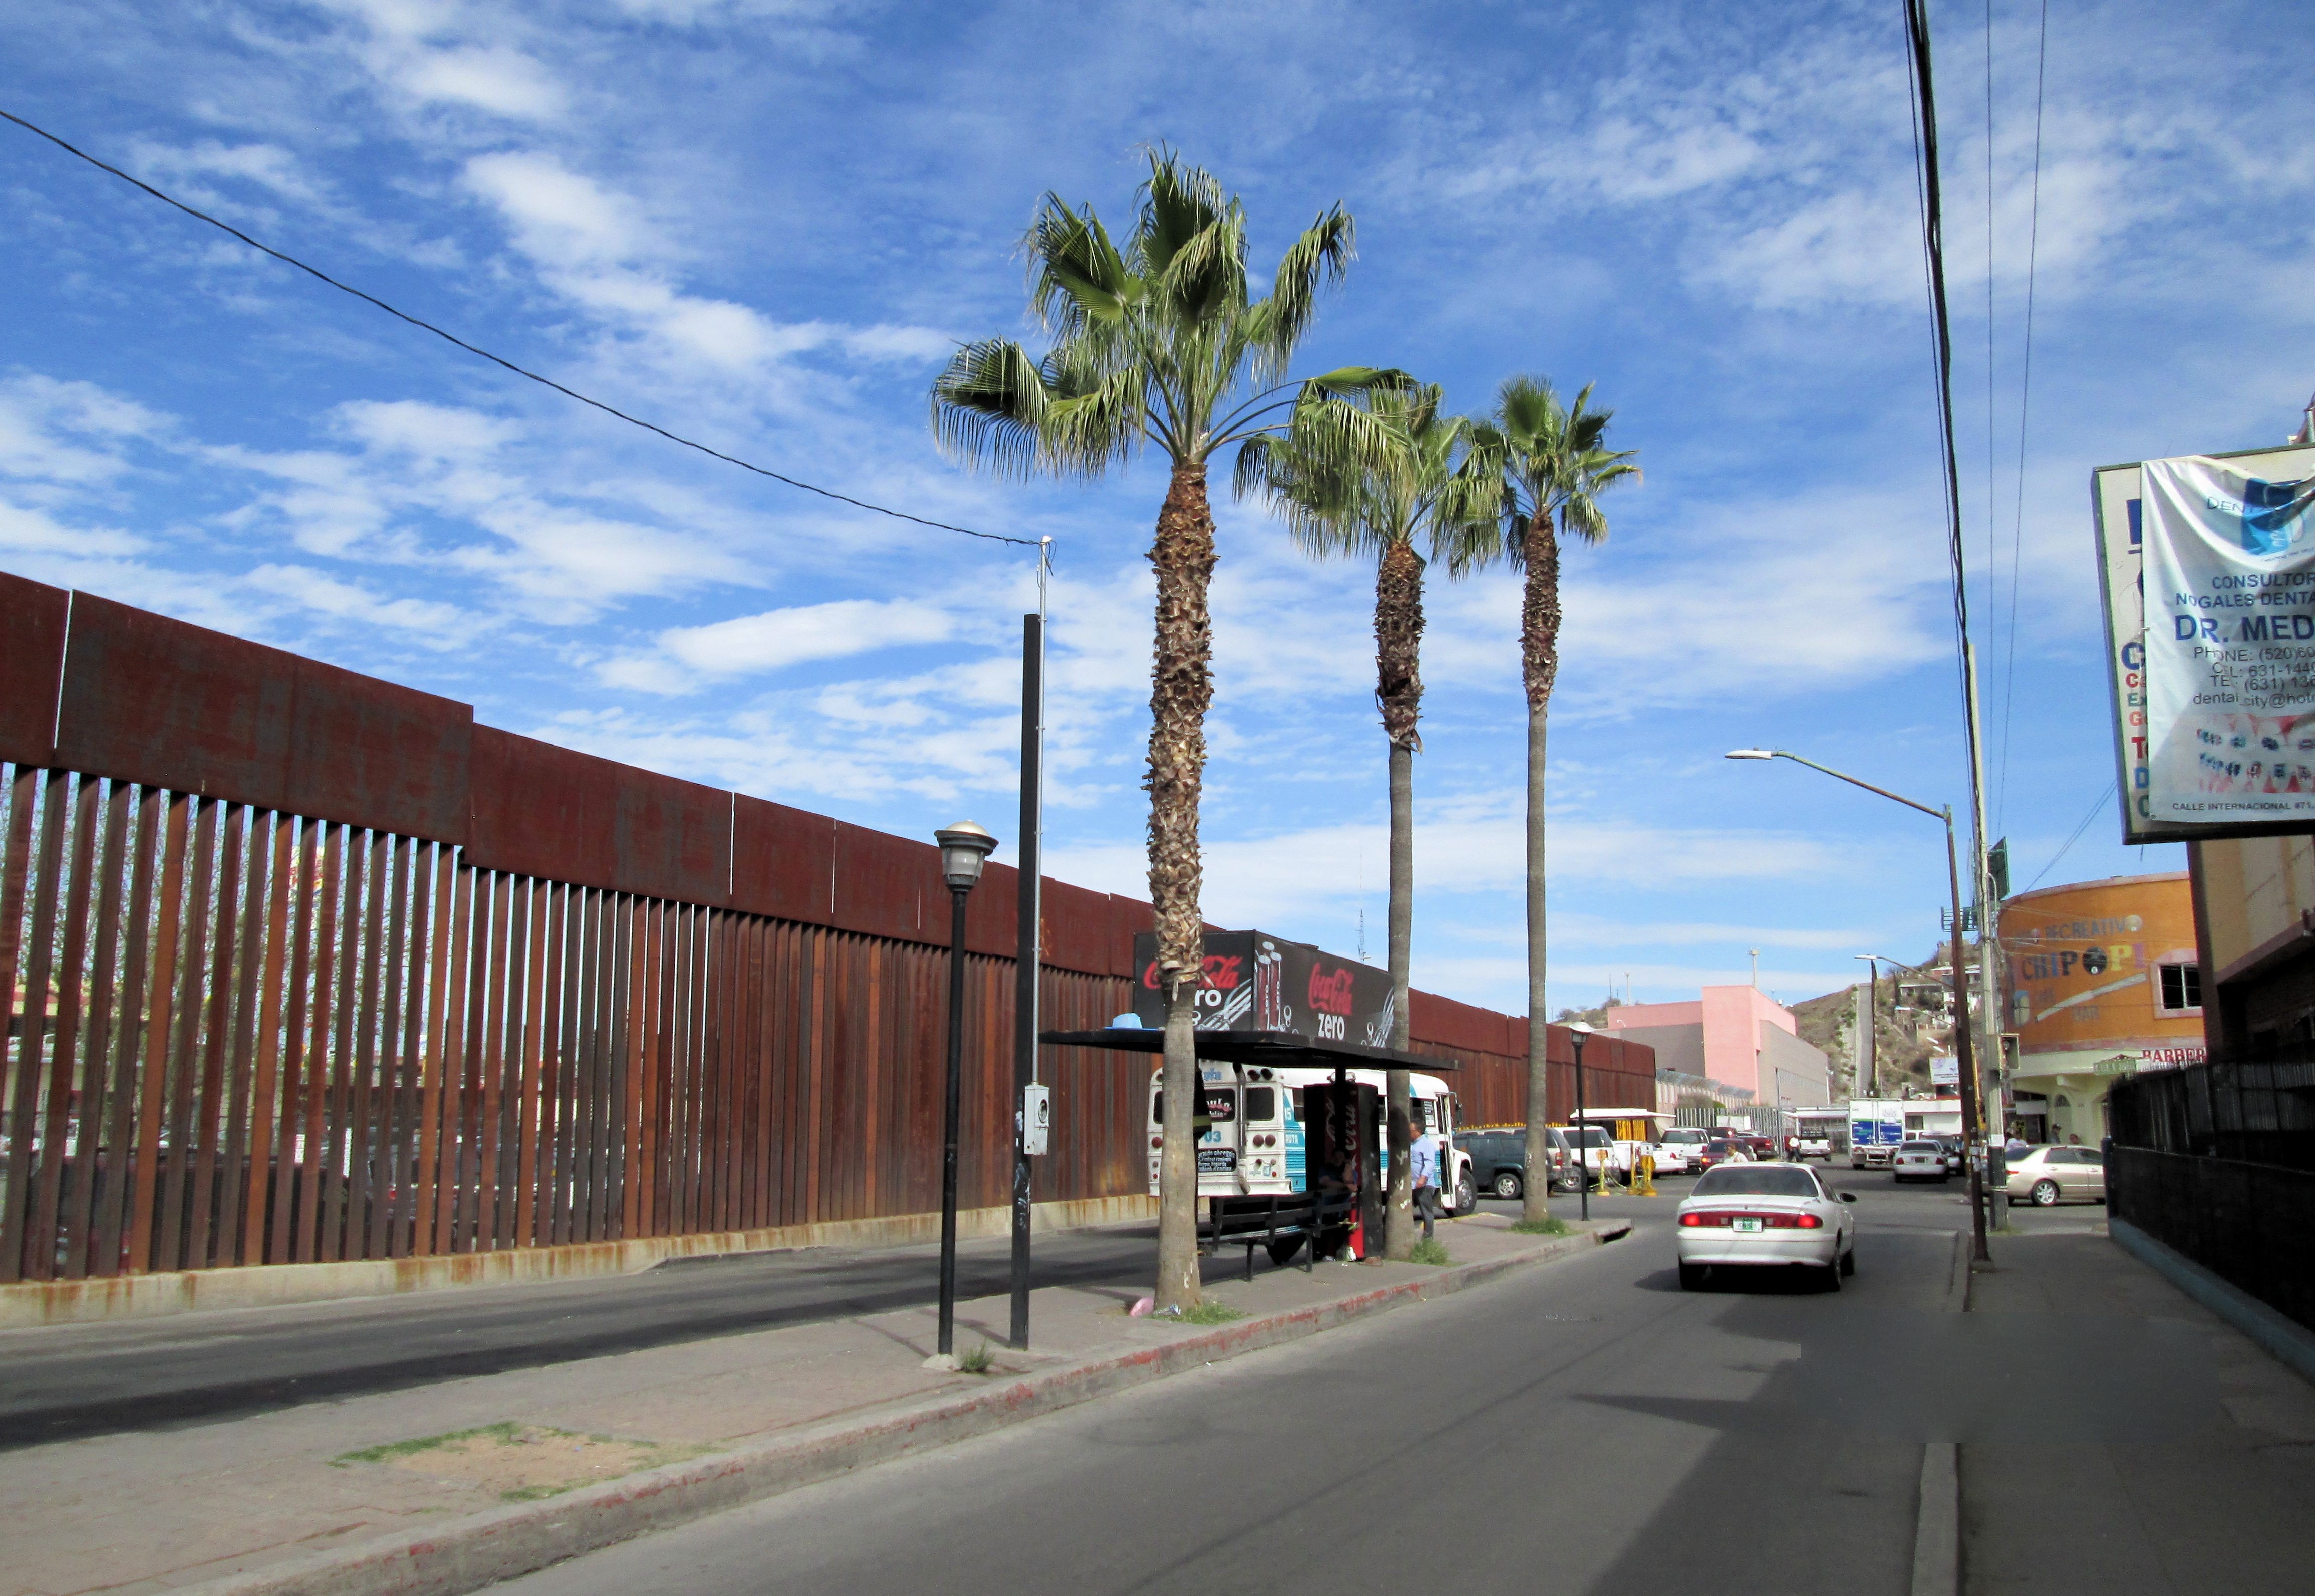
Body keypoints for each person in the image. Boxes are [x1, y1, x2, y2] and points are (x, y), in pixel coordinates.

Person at [1409, 1123, 1441, 1243]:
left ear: (1418, 1132)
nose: (1408, 1133)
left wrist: (1423, 1178)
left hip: (1425, 1185)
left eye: (1410, 1131)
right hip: (1412, 1184)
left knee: (1427, 1212)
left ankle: (1428, 1241)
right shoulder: (1412, 1144)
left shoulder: (1426, 1144)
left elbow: (1430, 1163)